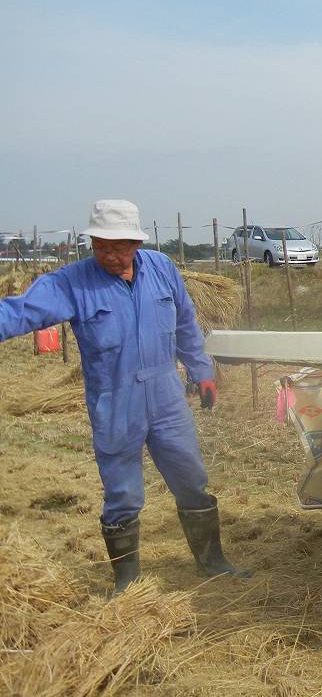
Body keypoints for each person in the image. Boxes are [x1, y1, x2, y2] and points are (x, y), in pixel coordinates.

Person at [0, 199, 250, 594]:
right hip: (115, 401)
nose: (109, 255)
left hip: (166, 395)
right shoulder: (72, 282)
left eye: (118, 247)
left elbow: (185, 321)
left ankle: (213, 561)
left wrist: (202, 371)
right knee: (123, 494)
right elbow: (21, 312)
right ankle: (126, 581)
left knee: (191, 479)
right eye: (101, 246)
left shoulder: (162, 268)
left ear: (136, 242)